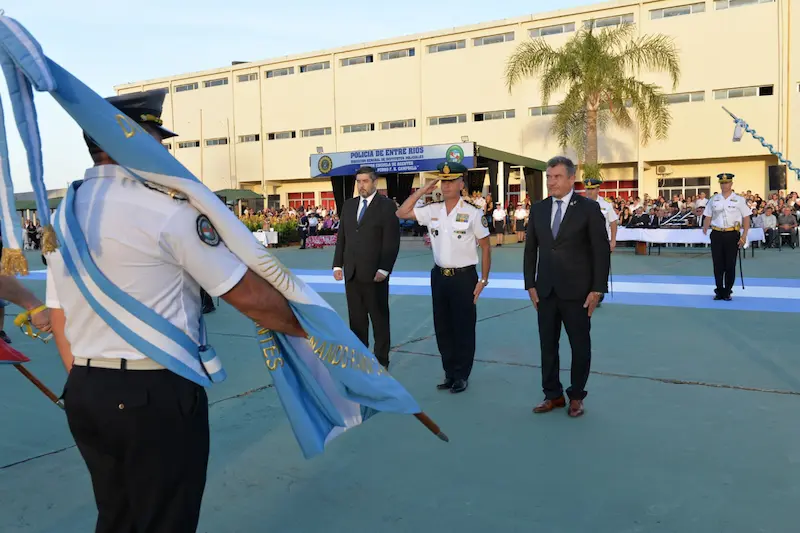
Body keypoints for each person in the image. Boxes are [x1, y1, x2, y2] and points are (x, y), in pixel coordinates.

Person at [46, 89, 305, 533]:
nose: (160, 149)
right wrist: (312, 332)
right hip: (154, 395)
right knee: (166, 521)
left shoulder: (63, 214)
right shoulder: (165, 209)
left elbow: (58, 314)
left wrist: (90, 380)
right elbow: (247, 296)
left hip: (87, 391)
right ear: (113, 142)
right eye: (149, 137)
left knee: (117, 518)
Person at [523, 156, 610, 418]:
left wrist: (597, 289)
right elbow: (531, 250)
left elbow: (601, 251)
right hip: (546, 291)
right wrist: (530, 284)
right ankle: (552, 395)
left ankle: (576, 396)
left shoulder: (588, 208)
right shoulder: (538, 209)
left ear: (572, 178)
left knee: (579, 346)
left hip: (578, 293)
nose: (551, 182)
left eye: (557, 177)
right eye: (549, 177)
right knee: (547, 346)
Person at [396, 161, 491, 393]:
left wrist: (483, 280)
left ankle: (462, 375)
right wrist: (422, 190)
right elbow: (401, 212)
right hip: (439, 277)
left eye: (451, 181)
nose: (446, 185)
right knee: (443, 327)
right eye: (443, 181)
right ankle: (449, 373)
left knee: (463, 327)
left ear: (461, 184)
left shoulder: (473, 213)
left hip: (464, 277)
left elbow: (486, 247)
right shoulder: (433, 210)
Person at [332, 166, 400, 369]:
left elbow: (391, 241)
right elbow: (342, 237)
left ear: (375, 182)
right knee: (356, 320)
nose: (361, 185)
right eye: (358, 181)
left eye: (365, 181)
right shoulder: (348, 206)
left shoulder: (387, 206)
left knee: (379, 320)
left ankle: (381, 361)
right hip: (351, 274)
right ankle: (360, 360)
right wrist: (337, 264)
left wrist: (384, 269)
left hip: (375, 275)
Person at [701, 173, 750, 301]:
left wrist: (744, 235)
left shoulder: (739, 199)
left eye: (727, 183)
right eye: (722, 183)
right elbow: (708, 215)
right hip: (717, 233)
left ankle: (727, 291)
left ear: (731, 184)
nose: (724, 185)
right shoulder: (714, 199)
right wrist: (705, 227)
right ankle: (719, 290)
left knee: (730, 264)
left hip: (732, 234)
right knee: (717, 264)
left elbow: (746, 218)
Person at [582, 174, 618, 305]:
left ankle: (599, 294)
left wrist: (613, 241)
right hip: (584, 243)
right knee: (585, 268)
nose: (589, 192)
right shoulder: (580, 204)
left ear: (598, 190)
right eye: (587, 189)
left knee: (600, 268)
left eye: (592, 189)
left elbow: (613, 223)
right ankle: (586, 293)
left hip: (601, 242)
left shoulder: (606, 205)